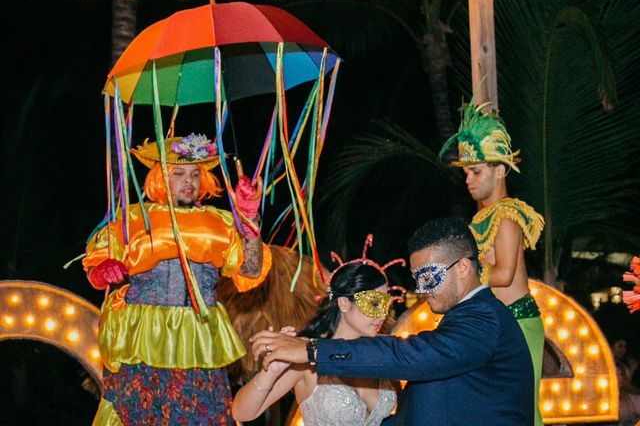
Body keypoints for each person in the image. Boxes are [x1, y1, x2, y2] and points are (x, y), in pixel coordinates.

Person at [250, 217, 534, 425]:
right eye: (417, 279)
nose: (421, 289)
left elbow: (412, 355)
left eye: (429, 277)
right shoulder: (465, 320)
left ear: (462, 267)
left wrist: (312, 350)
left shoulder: (484, 319)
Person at [83, 133, 272, 425]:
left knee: (202, 410)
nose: (189, 181)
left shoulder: (220, 222)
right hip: (144, 334)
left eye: (195, 174)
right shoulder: (134, 218)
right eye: (179, 173)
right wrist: (103, 269)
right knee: (140, 412)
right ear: (160, 177)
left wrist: (249, 221)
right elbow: (97, 263)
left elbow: (249, 271)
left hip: (198, 334)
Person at [440, 102, 545, 426]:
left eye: (476, 171)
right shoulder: (483, 218)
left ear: (499, 170)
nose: (469, 179)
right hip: (497, 323)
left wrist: (463, 278)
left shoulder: (507, 215)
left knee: (524, 410)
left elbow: (504, 274)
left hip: (519, 321)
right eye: (466, 172)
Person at [232, 235, 399, 426]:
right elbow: (242, 413)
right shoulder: (305, 354)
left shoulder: (377, 350)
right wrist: (271, 372)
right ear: (344, 303)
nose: (382, 315)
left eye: (386, 305)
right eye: (375, 304)